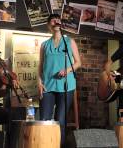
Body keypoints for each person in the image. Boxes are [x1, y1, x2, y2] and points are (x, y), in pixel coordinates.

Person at [37, 14, 81, 146]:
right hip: (47, 86)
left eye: (58, 20)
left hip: (66, 86)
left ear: (61, 24)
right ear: (48, 24)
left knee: (60, 120)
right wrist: (39, 82)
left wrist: (67, 70)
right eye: (52, 20)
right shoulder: (44, 45)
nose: (56, 22)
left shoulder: (69, 42)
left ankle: (58, 145)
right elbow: (40, 65)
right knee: (44, 120)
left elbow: (78, 63)